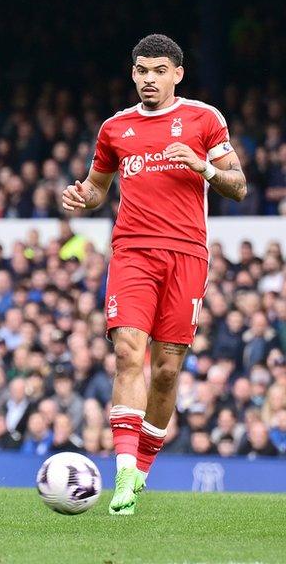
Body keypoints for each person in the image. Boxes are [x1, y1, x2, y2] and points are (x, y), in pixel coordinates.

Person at [61, 34, 247, 515]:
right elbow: (100, 188)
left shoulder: (205, 119)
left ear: (177, 74)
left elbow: (239, 186)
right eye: (142, 70)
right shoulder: (114, 128)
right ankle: (121, 473)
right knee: (128, 353)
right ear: (133, 74)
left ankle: (142, 470)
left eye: (159, 70)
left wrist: (204, 167)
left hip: (187, 255)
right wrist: (84, 197)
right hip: (131, 253)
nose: (149, 78)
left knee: (166, 371)